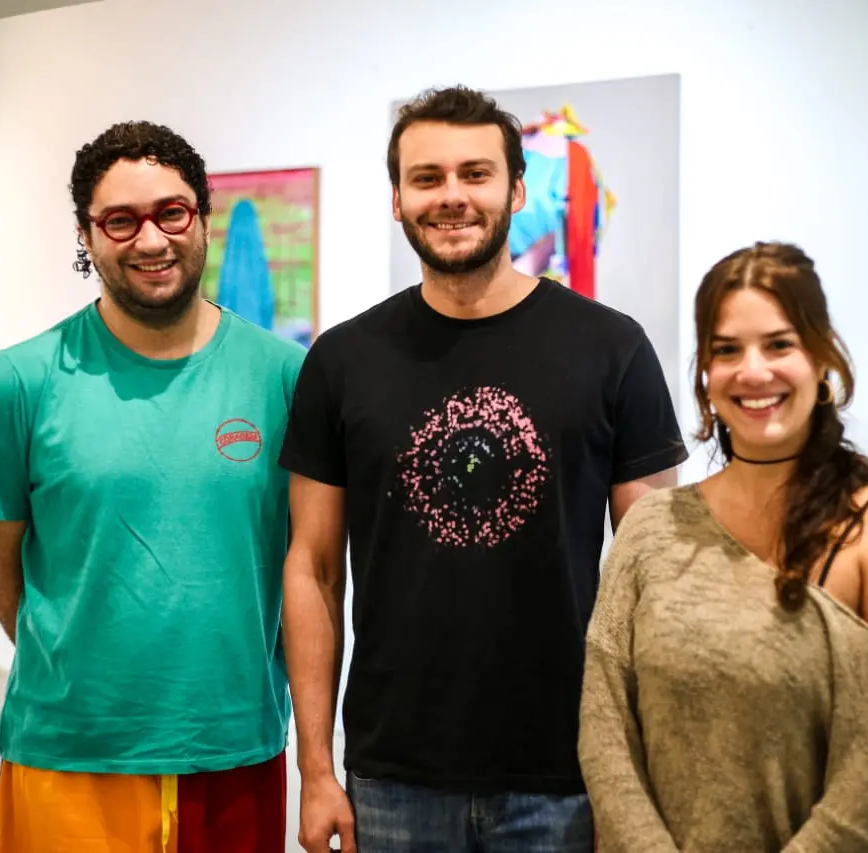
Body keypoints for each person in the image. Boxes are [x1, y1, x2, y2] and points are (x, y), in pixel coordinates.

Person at [277, 84, 688, 853]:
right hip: (391, 776)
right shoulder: (344, 360)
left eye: (476, 173)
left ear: (517, 188)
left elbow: (653, 577)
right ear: (397, 199)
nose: (452, 196)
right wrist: (316, 768)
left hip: (568, 773)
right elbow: (314, 567)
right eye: (427, 178)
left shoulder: (611, 347)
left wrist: (638, 773)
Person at [0, 120, 304, 853]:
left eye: (171, 212)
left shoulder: (283, 375)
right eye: (121, 220)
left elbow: (311, 563)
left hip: (234, 742)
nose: (151, 240)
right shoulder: (20, 381)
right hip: (71, 749)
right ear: (87, 235)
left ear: (202, 216)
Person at [578, 241, 868, 852]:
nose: (753, 371)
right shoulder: (651, 528)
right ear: (706, 371)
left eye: (779, 344)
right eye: (727, 350)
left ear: (822, 355)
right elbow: (605, 728)